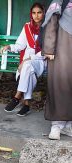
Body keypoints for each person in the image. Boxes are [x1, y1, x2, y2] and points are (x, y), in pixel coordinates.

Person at [1, 3, 46, 116]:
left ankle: (17, 97)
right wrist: (9, 47)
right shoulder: (27, 27)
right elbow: (20, 45)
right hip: (28, 62)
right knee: (28, 69)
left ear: (43, 13)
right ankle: (26, 105)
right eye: (34, 13)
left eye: (39, 12)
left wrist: (27, 60)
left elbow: (47, 50)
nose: (36, 16)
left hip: (41, 60)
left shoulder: (48, 27)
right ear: (31, 14)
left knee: (27, 66)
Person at [42, 0, 72, 140]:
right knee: (59, 85)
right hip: (61, 48)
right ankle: (56, 125)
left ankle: (68, 125)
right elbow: (51, 23)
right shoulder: (60, 2)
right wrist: (49, 48)